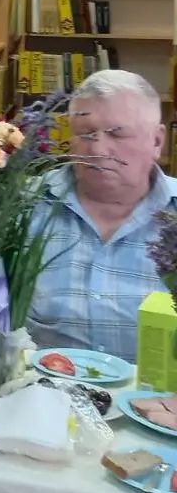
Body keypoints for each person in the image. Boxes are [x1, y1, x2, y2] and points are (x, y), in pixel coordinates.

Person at [27, 69, 177, 361]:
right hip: (39, 394)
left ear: (157, 141)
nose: (97, 148)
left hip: (158, 402)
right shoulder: (21, 205)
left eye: (116, 134)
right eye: (85, 134)